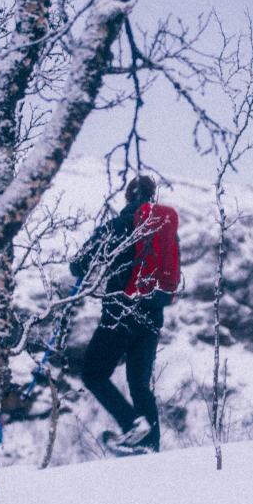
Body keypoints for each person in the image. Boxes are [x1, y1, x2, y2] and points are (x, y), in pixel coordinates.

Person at [73, 174, 180, 452]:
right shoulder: (165, 229)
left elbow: (80, 263)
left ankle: (132, 424)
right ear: (152, 197)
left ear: (128, 197)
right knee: (139, 384)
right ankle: (150, 444)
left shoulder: (120, 224)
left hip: (121, 311)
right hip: (153, 313)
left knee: (93, 373)